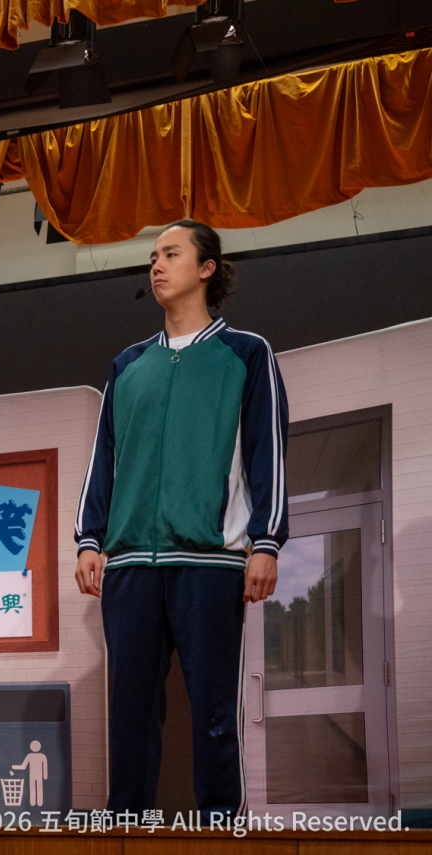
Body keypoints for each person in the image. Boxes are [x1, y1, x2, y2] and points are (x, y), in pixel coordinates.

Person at [73, 220, 288, 818]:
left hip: (210, 561)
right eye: (152, 257)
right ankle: (125, 827)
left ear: (207, 268)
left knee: (214, 709)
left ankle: (220, 829)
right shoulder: (128, 365)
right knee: (130, 713)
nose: (157, 266)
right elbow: (104, 459)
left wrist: (266, 541)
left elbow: (267, 451)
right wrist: (89, 539)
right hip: (129, 565)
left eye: (171, 253)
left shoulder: (246, 354)